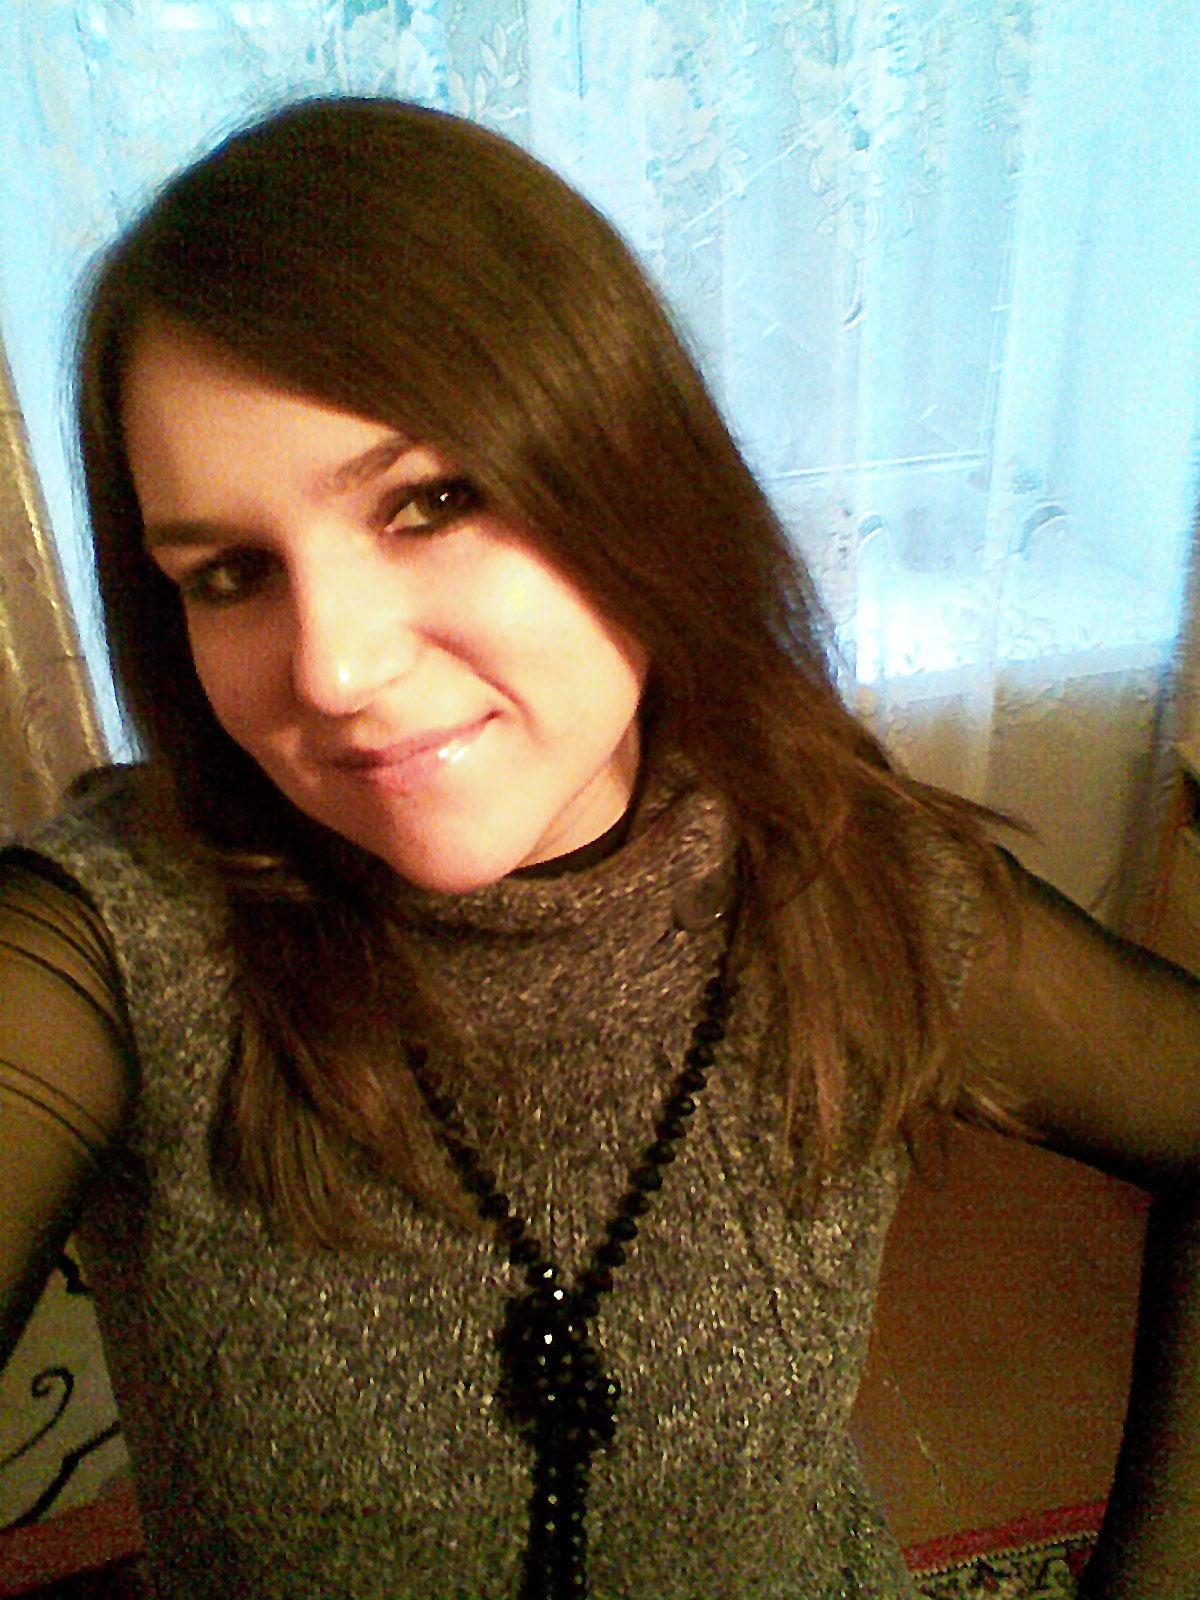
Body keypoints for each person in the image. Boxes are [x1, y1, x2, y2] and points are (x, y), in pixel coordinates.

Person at [0, 95, 1196, 1600]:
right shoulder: (114, 946)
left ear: (636, 480)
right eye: (230, 572)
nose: (332, 669)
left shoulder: (848, 878)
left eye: (432, 501)